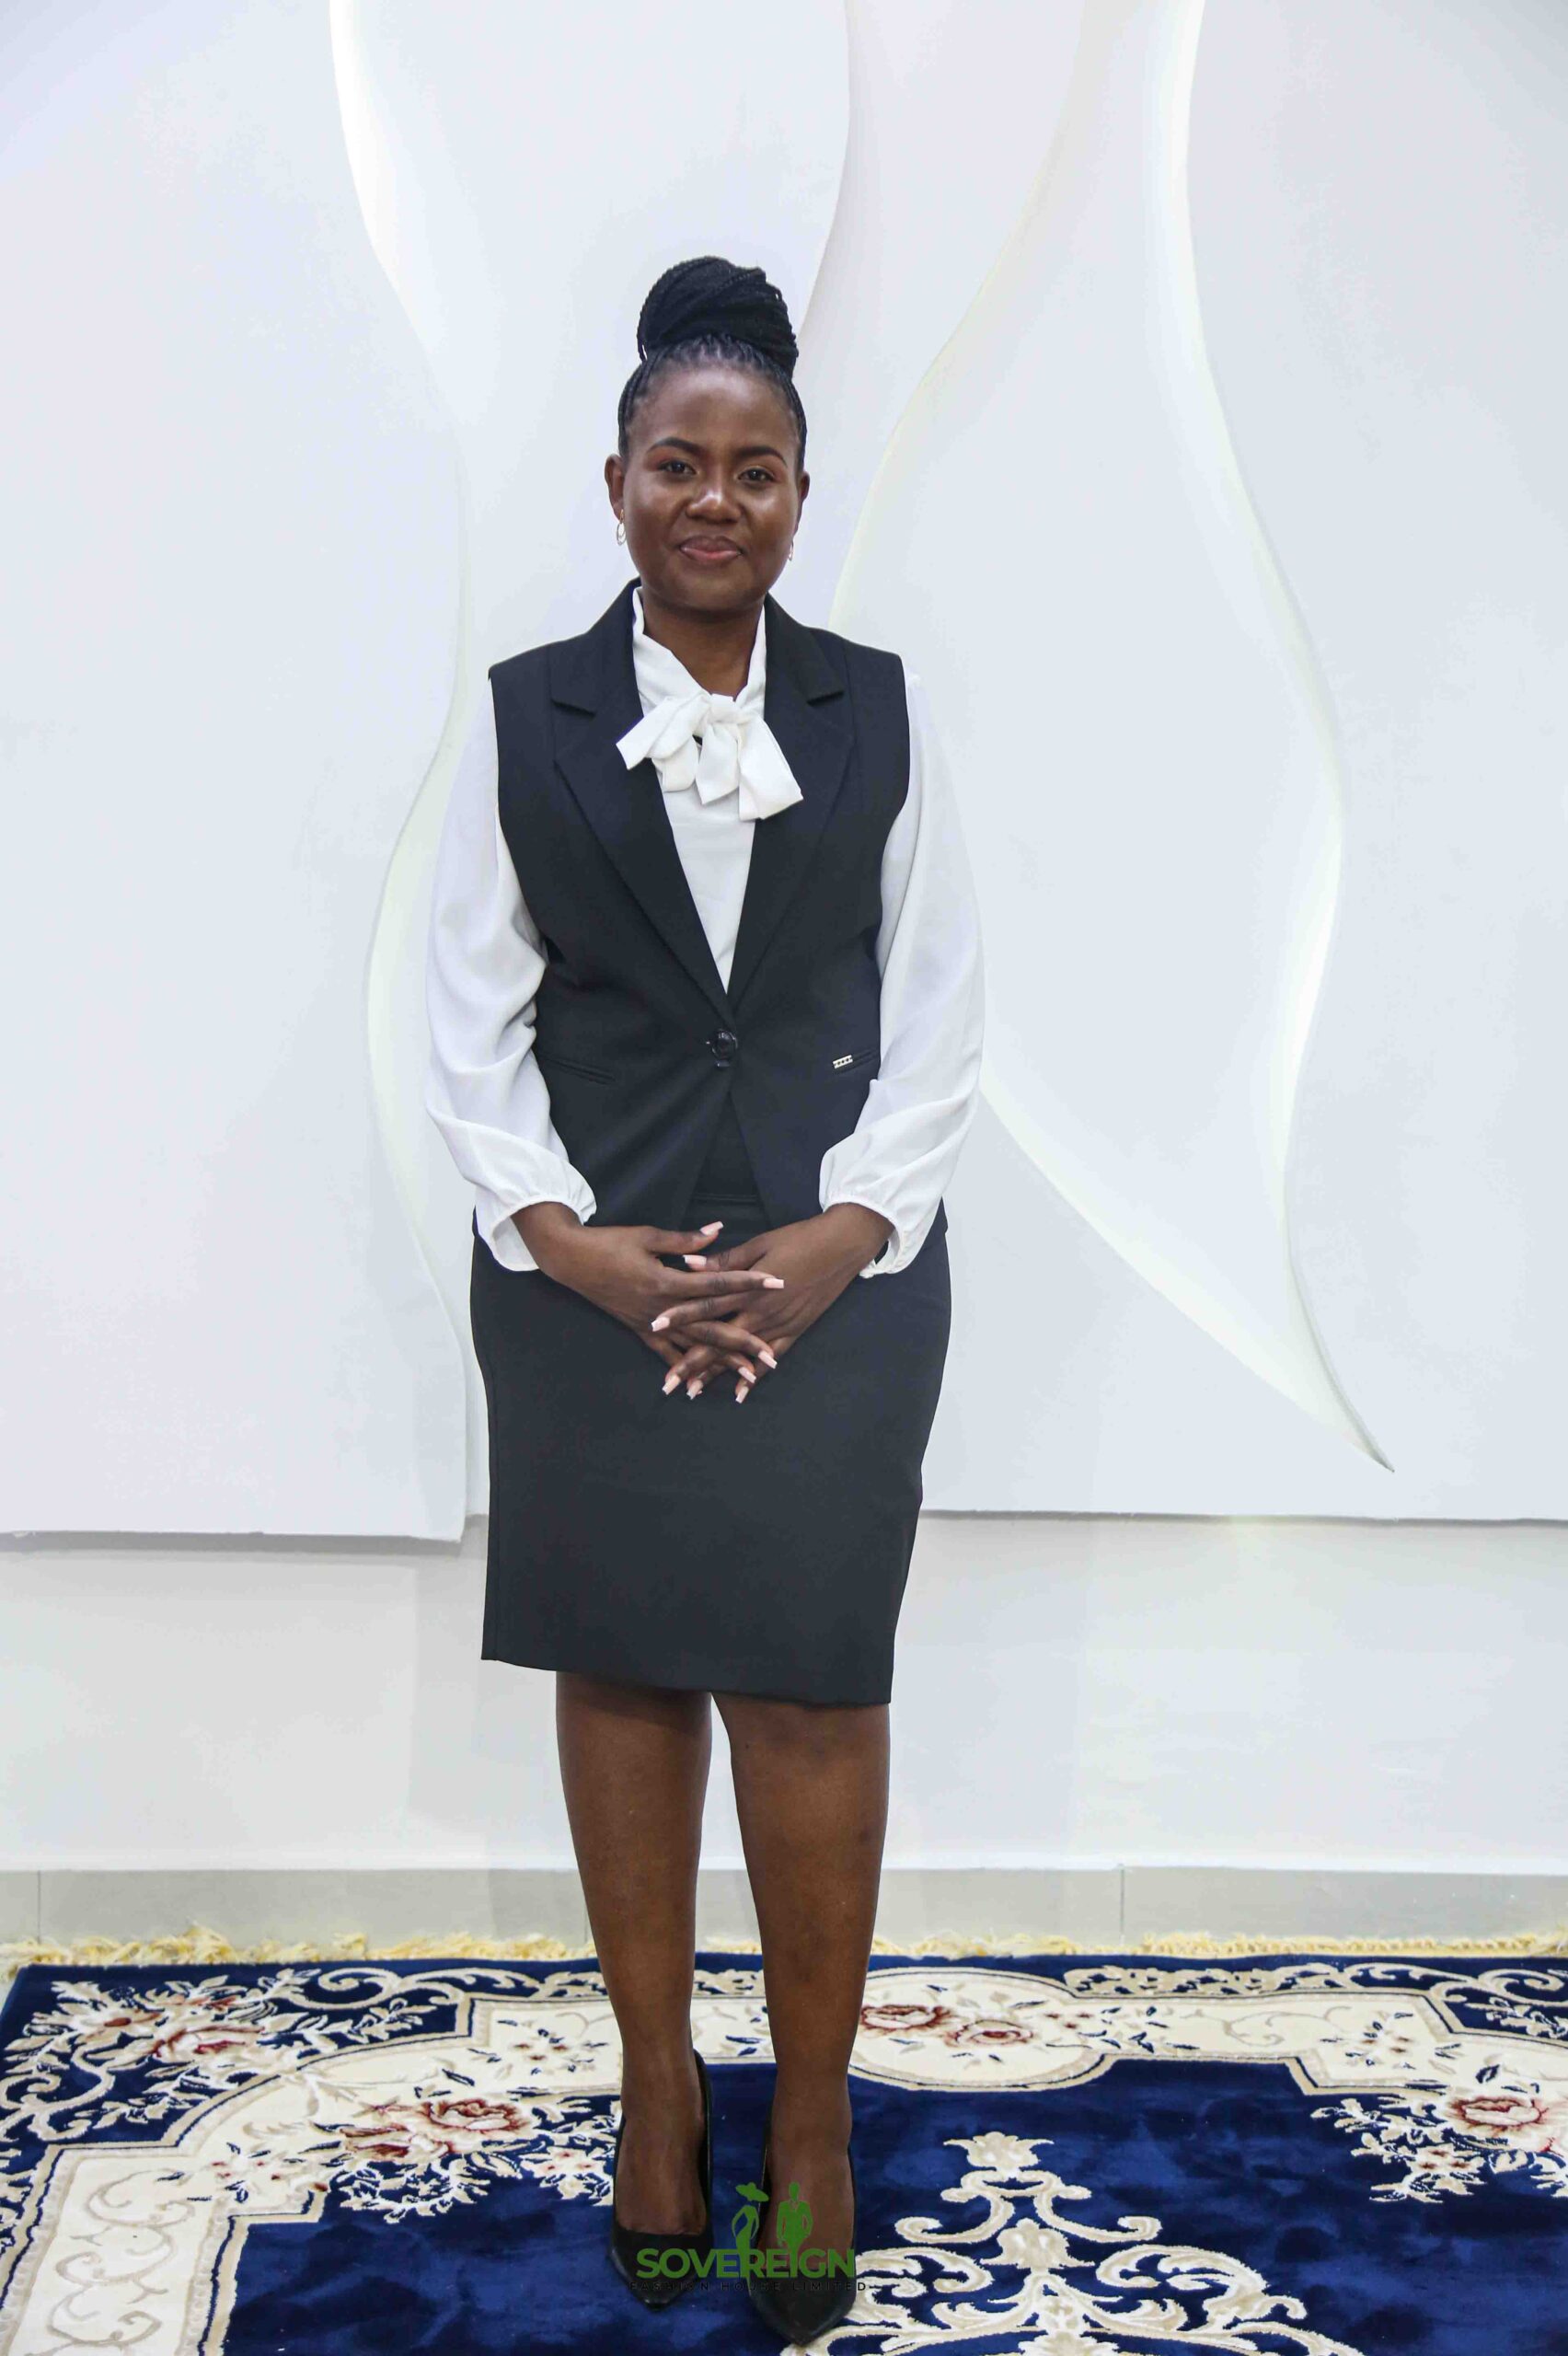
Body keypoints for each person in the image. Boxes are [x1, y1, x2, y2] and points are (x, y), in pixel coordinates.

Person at [424, 253, 984, 2340]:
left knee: (815, 1686)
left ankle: (810, 2119)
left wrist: (844, 1235)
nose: (715, 500)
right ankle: (659, 2092)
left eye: (756, 469)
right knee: (634, 1667)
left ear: (802, 493)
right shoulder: (527, 716)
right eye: (680, 462)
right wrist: (571, 1245)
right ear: (619, 483)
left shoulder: (880, 709)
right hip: (592, 1277)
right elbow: (466, 1019)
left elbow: (941, 1007)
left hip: (844, 1271)